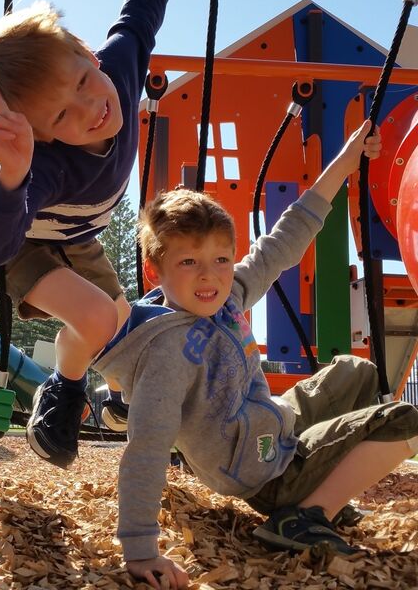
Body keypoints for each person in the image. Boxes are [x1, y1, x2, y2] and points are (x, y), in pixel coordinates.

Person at [94, 121, 418, 589]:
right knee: (404, 421)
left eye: (221, 260)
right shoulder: (166, 352)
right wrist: (141, 549)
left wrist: (346, 163)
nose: (210, 277)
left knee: (357, 372)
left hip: (268, 429)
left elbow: (284, 240)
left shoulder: (227, 298)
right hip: (264, 471)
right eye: (188, 262)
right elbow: (144, 450)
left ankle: (324, 493)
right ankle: (303, 516)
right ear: (154, 269)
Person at [0, 0, 194, 468]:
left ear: (88, 54)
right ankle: (60, 395)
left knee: (120, 326)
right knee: (94, 318)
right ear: (40, 133)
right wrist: (12, 175)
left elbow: (136, 23)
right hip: (13, 234)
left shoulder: (119, 71)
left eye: (85, 81)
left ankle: (120, 402)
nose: (92, 108)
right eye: (63, 114)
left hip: (78, 236)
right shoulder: (46, 165)